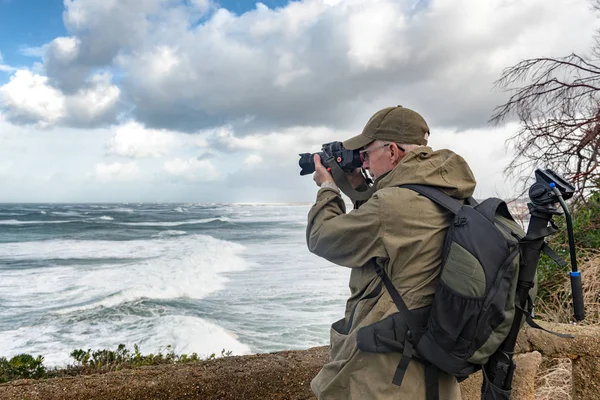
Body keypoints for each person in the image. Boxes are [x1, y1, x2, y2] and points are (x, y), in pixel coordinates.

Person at [306, 105, 477, 400]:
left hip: (386, 374)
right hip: (435, 362)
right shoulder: (448, 191)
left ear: (393, 151)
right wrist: (359, 186)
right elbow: (389, 234)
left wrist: (328, 189)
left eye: (368, 153)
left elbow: (322, 237)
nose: (366, 163)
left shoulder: (392, 205)